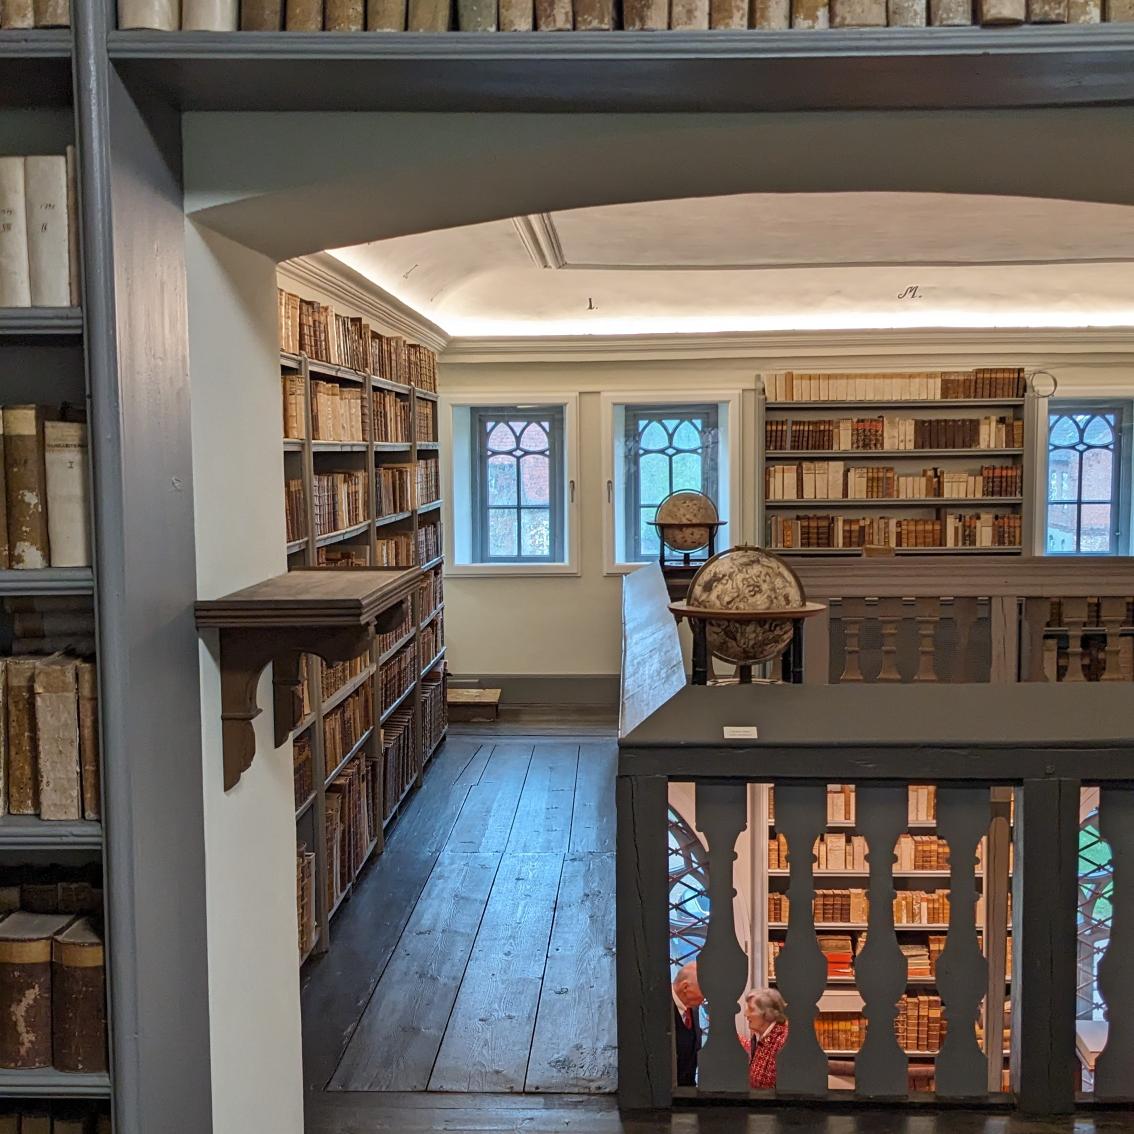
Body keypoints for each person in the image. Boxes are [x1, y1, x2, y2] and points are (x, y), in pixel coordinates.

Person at [742, 987, 789, 1089]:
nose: (746, 1014)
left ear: (768, 1013)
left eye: (751, 1009)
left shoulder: (783, 1042)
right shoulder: (767, 1036)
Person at [672, 961, 703, 1086]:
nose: (706, 997)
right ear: (685, 987)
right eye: (704, 990)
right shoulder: (659, 1010)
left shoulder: (694, 1008)